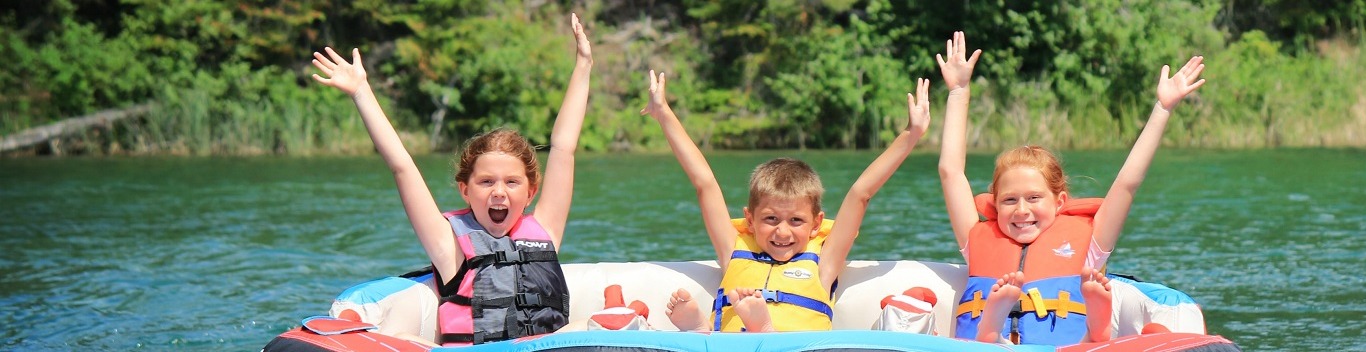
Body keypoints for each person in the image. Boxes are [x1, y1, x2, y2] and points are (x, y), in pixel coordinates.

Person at [308, 13, 593, 346]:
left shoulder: (545, 231)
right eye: (486, 182)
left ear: (530, 193)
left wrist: (584, 65)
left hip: (547, 347)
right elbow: (402, 166)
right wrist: (361, 92)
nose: (499, 192)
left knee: (593, 326)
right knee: (399, 339)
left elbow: (564, 148)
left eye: (511, 183)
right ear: (465, 190)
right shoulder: (450, 247)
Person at [933, 31, 1208, 346]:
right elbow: (950, 172)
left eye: (1034, 198)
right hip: (988, 347)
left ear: (1059, 201)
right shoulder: (977, 238)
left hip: (1063, 348)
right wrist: (958, 91)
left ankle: (1098, 324)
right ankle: (993, 328)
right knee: (985, 339)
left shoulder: (1090, 243)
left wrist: (1162, 108)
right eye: (1009, 200)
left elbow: (1128, 183)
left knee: (1096, 337)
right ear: (995, 205)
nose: (1021, 210)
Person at [640, 70, 932, 332]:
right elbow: (704, 183)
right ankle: (702, 332)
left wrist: (911, 134)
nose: (782, 232)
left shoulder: (825, 263)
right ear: (750, 220)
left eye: (796, 220)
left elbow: (861, 193)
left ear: (817, 224)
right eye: (770, 219)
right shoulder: (733, 249)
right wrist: (663, 112)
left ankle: (752, 330)